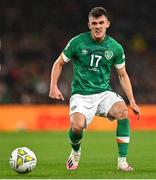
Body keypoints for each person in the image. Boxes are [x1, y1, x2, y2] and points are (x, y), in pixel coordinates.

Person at [49, 7, 140, 172]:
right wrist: (53, 86)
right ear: (89, 25)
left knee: (122, 111)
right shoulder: (77, 42)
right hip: (81, 94)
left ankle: (122, 161)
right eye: (94, 23)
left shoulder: (115, 47)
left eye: (101, 23)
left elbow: (122, 75)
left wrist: (132, 101)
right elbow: (59, 63)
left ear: (107, 24)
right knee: (76, 126)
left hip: (104, 93)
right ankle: (75, 152)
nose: (98, 26)